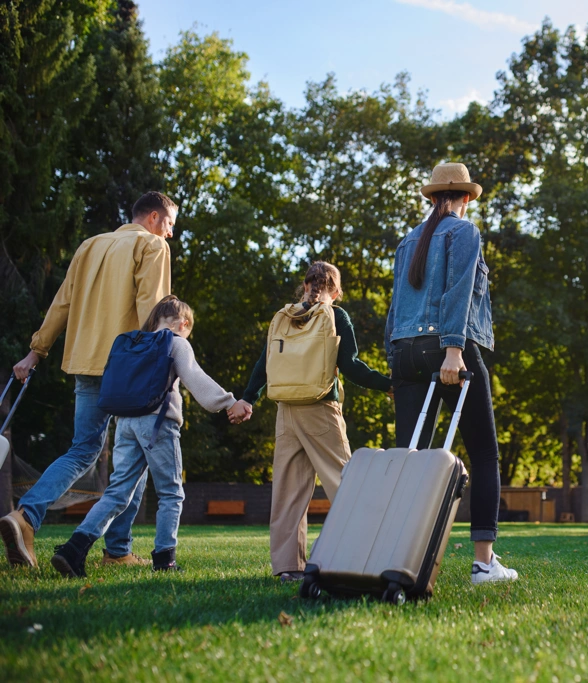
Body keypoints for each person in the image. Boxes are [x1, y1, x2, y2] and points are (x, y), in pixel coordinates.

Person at [1, 192, 177, 569]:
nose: (170, 233)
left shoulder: (89, 245)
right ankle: (117, 550)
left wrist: (36, 351)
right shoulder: (152, 246)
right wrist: (165, 362)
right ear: (152, 217)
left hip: (86, 362)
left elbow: (62, 302)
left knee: (82, 450)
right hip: (129, 368)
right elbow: (154, 309)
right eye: (169, 224)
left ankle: (26, 516)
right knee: (138, 454)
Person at [384, 162, 517, 585]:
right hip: (446, 350)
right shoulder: (464, 232)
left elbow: (394, 308)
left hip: (405, 353)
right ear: (465, 198)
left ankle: (398, 558)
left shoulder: (407, 240)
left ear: (433, 197)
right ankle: (483, 565)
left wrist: (393, 366)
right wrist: (454, 351)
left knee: (411, 460)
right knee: (485, 455)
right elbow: (458, 292)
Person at [50, 296, 245, 577]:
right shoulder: (176, 343)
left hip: (124, 424)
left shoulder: (134, 343)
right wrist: (229, 402)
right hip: (157, 425)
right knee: (171, 493)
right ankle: (165, 559)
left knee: (118, 492)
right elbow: (196, 378)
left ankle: (73, 549)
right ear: (183, 323)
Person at [232, 262, 392, 583]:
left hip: (286, 411)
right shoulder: (336, 316)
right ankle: (363, 557)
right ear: (337, 291)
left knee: (288, 492)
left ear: (305, 286)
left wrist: (248, 398)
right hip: (320, 409)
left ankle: (288, 567)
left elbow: (265, 362)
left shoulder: (285, 317)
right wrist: (388, 384)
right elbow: (351, 366)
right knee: (345, 483)